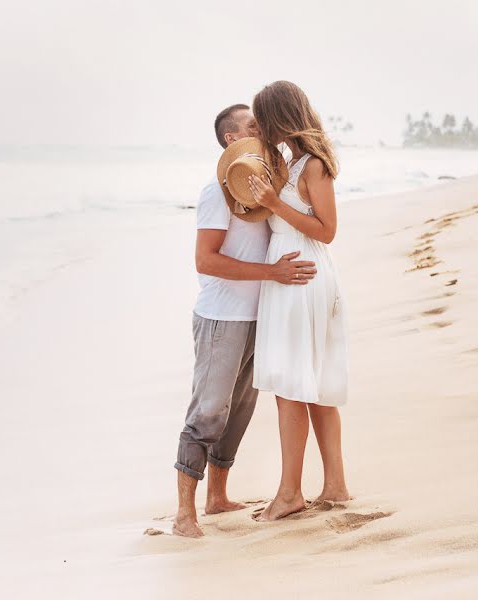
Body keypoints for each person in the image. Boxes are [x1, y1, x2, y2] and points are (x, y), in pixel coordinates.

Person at [173, 103, 318, 537]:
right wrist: (272, 273)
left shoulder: (261, 187)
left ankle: (217, 497)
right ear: (232, 140)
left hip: (262, 314)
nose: (264, 130)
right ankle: (184, 512)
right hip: (222, 316)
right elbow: (206, 260)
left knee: (239, 411)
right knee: (209, 412)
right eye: (254, 126)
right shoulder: (216, 191)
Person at [247, 81, 351, 521]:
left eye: (262, 119)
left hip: (304, 274)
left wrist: (274, 202)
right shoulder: (289, 162)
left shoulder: (314, 165)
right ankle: (335, 486)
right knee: (309, 386)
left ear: (279, 117)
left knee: (294, 387)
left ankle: (291, 493)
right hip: (290, 273)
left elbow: (327, 230)